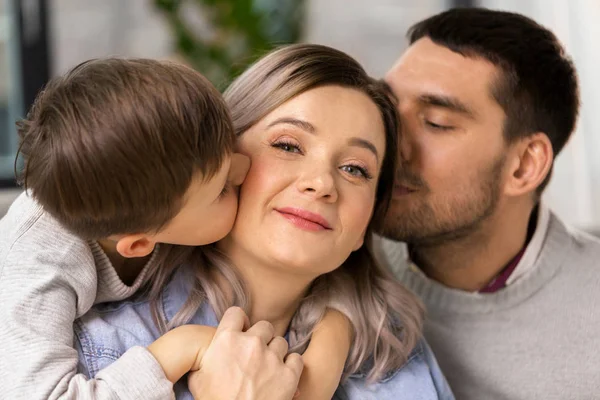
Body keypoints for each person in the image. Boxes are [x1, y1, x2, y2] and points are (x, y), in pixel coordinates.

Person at [72, 43, 455, 400]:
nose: (322, 184)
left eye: (355, 169)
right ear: (222, 161)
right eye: (288, 145)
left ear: (365, 223)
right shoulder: (102, 349)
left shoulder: (393, 355)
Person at [0, 58, 354, 400]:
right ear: (139, 244)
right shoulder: (37, 266)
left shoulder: (153, 197)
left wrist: (334, 334)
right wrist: (183, 347)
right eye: (222, 190)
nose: (245, 168)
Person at [378, 7, 597, 400]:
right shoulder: (336, 254)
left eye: (437, 123)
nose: (392, 141)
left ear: (524, 166)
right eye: (388, 108)